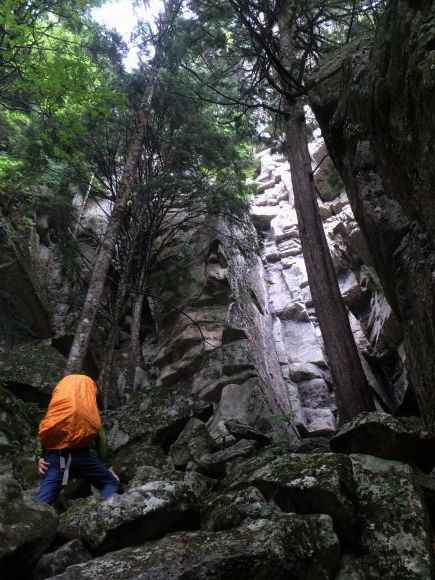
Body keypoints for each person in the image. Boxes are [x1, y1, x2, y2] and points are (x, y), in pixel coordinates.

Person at [35, 374, 119, 505]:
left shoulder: (59, 406)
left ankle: (31, 522)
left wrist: (39, 457)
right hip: (81, 458)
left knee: (42, 502)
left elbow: (44, 429)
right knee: (110, 481)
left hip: (56, 459)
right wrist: (107, 465)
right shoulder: (88, 410)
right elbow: (100, 437)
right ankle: (107, 511)